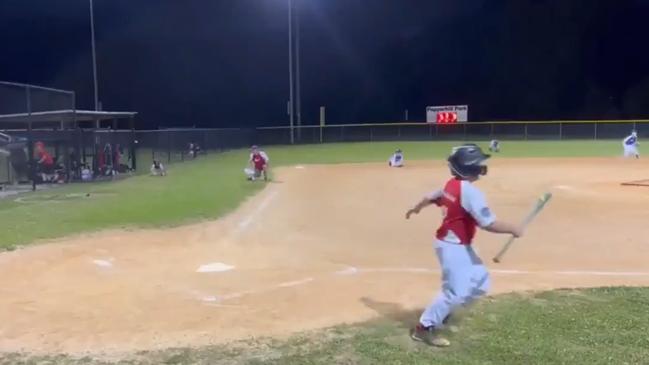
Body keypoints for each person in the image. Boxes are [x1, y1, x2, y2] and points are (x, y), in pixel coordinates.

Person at [405, 144, 523, 347]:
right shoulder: (470, 192)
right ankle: (424, 328)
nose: (482, 166)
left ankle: (445, 313)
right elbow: (488, 223)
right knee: (455, 291)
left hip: (457, 245)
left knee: (481, 283)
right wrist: (513, 228)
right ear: (470, 168)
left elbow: (431, 197)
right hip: (453, 247)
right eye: (479, 163)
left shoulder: (452, 184)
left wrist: (416, 208)